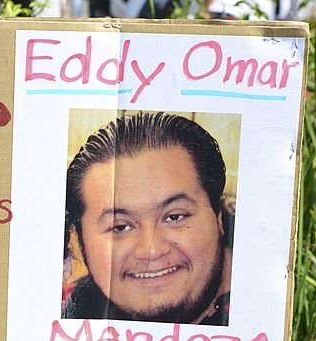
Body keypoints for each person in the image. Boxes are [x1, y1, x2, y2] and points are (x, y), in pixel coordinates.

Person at [63, 111, 234, 326]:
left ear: (218, 217)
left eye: (174, 217)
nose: (151, 251)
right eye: (120, 227)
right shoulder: (69, 315)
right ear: (80, 242)